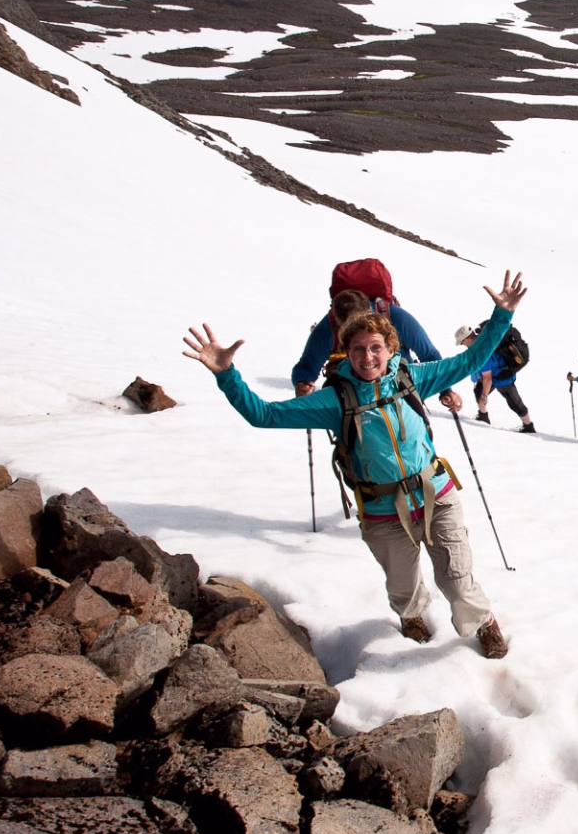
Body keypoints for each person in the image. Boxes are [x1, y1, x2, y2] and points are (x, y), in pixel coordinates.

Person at [183, 271, 528, 657]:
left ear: (390, 347)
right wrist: (228, 376)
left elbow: (472, 359)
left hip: (436, 493)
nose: (368, 357)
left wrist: (503, 316)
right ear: (347, 351)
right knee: (402, 585)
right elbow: (265, 415)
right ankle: (411, 615)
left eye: (376, 347)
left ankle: (482, 622)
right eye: (359, 348)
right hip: (382, 510)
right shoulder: (335, 400)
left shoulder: (411, 377)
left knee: (457, 578)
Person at [293, 288, 461, 415]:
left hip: (400, 394)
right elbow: (306, 368)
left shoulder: (395, 317)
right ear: (336, 318)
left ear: (369, 311)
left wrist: (446, 390)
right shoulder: (329, 325)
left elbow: (430, 355)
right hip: (355, 403)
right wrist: (303, 383)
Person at [457, 322, 534, 433]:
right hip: (495, 375)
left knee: (514, 402)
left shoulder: (481, 351)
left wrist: (484, 396)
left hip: (503, 377)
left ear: (467, 339)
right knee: (479, 391)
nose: (462, 345)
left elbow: (487, 379)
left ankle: (529, 426)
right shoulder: (482, 339)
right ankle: (483, 417)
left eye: (462, 342)